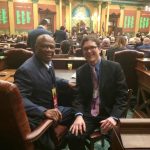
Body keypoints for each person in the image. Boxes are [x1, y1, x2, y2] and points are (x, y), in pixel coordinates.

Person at [67, 36, 128, 150]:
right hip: (89, 114)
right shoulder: (80, 71)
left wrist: (114, 117)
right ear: (82, 51)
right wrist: (79, 116)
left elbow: (122, 96)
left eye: (92, 47)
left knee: (120, 141)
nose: (89, 51)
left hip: (109, 113)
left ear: (99, 48)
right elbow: (78, 97)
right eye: (85, 49)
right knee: (72, 137)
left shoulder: (114, 67)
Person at [14, 34, 74, 150]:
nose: (49, 50)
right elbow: (20, 99)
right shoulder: (26, 70)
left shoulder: (47, 62)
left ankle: (61, 140)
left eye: (52, 47)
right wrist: (44, 111)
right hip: (39, 116)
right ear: (36, 48)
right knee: (48, 147)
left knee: (74, 112)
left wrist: (66, 82)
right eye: (45, 47)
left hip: (53, 107)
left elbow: (51, 79)